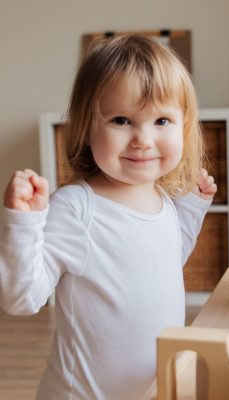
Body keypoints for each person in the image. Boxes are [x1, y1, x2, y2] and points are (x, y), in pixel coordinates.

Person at [0, 35, 217, 399]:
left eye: (162, 120)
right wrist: (24, 224)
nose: (143, 139)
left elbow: (166, 260)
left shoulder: (162, 200)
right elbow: (22, 299)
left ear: (184, 125)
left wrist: (191, 209)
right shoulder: (76, 210)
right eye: (121, 120)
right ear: (86, 127)